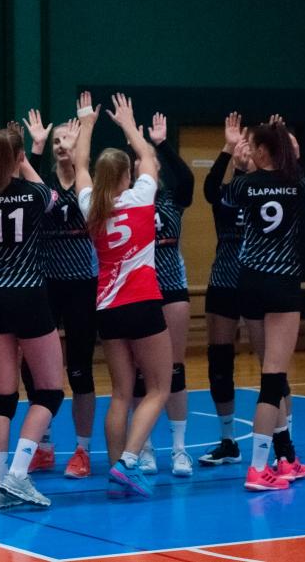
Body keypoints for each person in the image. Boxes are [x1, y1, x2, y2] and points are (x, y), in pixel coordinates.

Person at [0, 115, 64, 510]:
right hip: (28, 295)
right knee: (50, 391)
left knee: (2, 396)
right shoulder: (34, 195)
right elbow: (51, 195)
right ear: (20, 157)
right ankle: (18, 475)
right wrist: (23, 161)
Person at [73, 92, 172, 499]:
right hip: (143, 302)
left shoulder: (90, 206)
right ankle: (129, 461)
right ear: (127, 175)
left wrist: (87, 125)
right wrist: (129, 125)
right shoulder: (141, 197)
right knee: (159, 388)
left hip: (108, 307)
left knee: (119, 393)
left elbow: (79, 165)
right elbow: (148, 157)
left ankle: (117, 469)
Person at [222, 117, 305, 491]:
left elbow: (223, 197)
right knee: (273, 378)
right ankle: (259, 468)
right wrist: (293, 158)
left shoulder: (243, 185)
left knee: (270, 371)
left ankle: (286, 459)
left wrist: (238, 163)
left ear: (260, 151)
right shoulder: (300, 185)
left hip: (248, 283)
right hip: (282, 285)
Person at [22, 110, 99, 478]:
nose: (61, 144)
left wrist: (83, 140)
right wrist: (36, 147)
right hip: (46, 284)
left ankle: (82, 450)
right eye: (57, 140)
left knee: (80, 369)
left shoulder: (89, 185)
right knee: (34, 370)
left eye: (68, 138)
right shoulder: (45, 183)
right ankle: (44, 445)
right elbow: (26, 187)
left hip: (83, 285)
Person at [199, 112, 265, 465]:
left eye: (251, 146)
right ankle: (228, 440)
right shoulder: (227, 191)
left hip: (258, 281)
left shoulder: (269, 190)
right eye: (243, 145)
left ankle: (282, 443)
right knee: (220, 361)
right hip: (224, 281)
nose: (245, 150)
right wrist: (227, 150)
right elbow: (210, 189)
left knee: (271, 365)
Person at [134, 112, 195, 477]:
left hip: (171, 288)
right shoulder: (128, 200)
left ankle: (179, 448)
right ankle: (144, 446)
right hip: (140, 292)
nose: (150, 167)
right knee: (141, 373)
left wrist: (162, 145)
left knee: (174, 369)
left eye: (154, 162)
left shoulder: (172, 200)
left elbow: (187, 178)